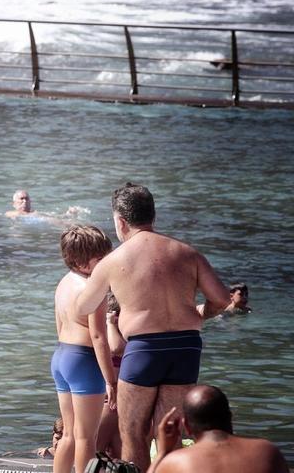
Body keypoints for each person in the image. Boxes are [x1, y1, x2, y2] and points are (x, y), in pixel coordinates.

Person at [74, 183, 230, 471]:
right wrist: (200, 312)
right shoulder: (187, 253)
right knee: (167, 434)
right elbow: (221, 299)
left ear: (120, 221)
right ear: (152, 216)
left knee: (133, 434)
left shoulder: (113, 261)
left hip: (145, 350)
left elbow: (82, 307)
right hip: (186, 346)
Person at [51, 225, 116, 473]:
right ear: (81, 262)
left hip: (62, 357)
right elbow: (99, 336)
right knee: (87, 437)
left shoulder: (64, 283)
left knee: (69, 433)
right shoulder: (93, 290)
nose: (106, 263)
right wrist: (111, 379)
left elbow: (59, 324)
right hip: (84, 361)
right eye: (100, 259)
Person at [147, 385, 288, 473]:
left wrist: (163, 452)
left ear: (187, 427)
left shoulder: (176, 461)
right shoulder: (268, 451)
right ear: (230, 417)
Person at [96, 292, 126, 458]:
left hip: (115, 400)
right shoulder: (107, 333)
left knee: (104, 448)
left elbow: (117, 348)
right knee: (104, 448)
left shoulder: (121, 334)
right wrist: (110, 324)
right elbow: (115, 348)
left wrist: (111, 324)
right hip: (109, 399)